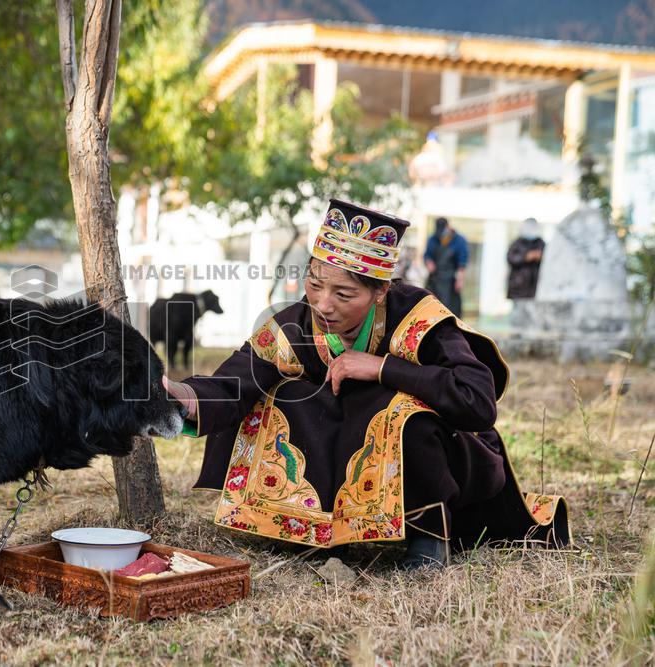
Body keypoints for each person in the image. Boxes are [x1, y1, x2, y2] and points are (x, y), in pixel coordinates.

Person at [163, 199, 568, 570]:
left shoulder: (420, 318)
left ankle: (429, 535)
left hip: (441, 457)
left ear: (380, 291)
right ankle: (307, 527)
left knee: (404, 412)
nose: (323, 304)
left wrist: (382, 368)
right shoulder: (297, 324)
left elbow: (476, 401)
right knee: (285, 397)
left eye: (344, 293)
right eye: (315, 284)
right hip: (344, 446)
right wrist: (187, 396)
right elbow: (242, 374)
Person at [424, 217, 468, 316]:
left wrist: (460, 280)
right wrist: (429, 263)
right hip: (435, 278)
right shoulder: (433, 239)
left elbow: (462, 263)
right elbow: (427, 256)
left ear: (448, 227)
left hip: (451, 280)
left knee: (450, 309)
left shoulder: (459, 240)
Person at [507, 218, 546, 328]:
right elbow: (510, 258)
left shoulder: (541, 244)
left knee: (533, 314)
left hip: (535, 286)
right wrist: (526, 257)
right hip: (519, 286)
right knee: (518, 314)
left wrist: (540, 257)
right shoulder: (517, 243)